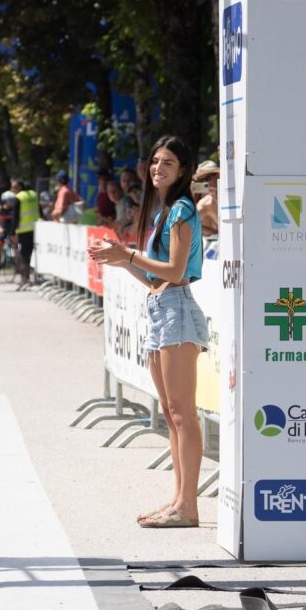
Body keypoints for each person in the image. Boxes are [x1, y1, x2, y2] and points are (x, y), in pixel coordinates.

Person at [90, 135, 208, 529]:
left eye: (168, 163)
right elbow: (154, 278)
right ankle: (178, 500)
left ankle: (188, 505)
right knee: (172, 416)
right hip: (161, 308)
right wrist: (123, 263)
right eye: (156, 161)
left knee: (182, 413)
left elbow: (175, 272)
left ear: (183, 170)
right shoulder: (164, 213)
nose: (158, 168)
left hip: (177, 310)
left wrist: (128, 255)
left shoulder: (182, 211)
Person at [12, 178, 39, 289]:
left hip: (23, 230)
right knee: (34, 253)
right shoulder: (34, 194)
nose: (12, 189)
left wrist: (12, 232)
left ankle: (25, 278)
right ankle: (33, 277)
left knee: (24, 255)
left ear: (19, 187)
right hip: (36, 228)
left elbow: (16, 216)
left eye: (14, 187)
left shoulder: (19, 197)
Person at [193, 160, 220, 238]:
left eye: (208, 178)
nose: (205, 182)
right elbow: (189, 225)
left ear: (218, 175)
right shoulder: (205, 203)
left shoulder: (229, 195)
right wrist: (215, 233)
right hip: (215, 245)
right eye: (202, 180)